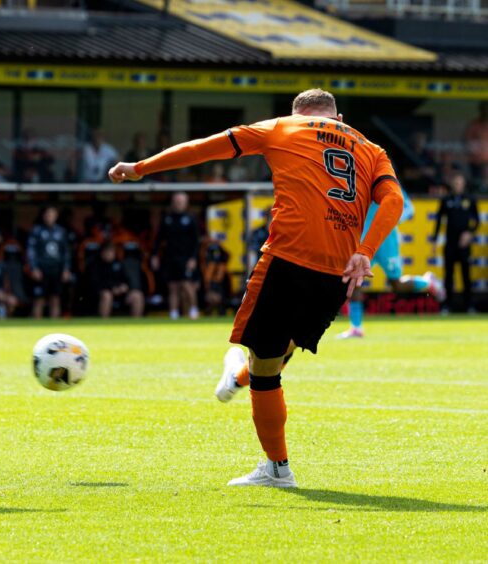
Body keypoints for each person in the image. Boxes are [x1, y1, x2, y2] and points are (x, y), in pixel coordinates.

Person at [109, 89, 404, 487]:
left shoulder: (282, 127)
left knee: (267, 365)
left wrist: (141, 167)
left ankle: (277, 468)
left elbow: (206, 147)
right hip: (337, 270)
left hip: (288, 258)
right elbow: (393, 201)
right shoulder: (371, 149)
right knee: (282, 350)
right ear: (339, 116)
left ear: (297, 112)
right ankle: (238, 378)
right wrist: (366, 251)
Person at [338, 187, 445, 338]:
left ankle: (427, 282)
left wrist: (389, 219)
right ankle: (356, 328)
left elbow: (408, 208)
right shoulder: (360, 180)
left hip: (386, 242)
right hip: (365, 241)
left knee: (397, 284)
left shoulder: (388, 181)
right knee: (354, 281)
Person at [432, 171, 480, 313]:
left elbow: (477, 220)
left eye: (460, 183)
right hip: (450, 243)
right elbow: (439, 220)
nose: (458, 185)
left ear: (464, 184)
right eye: (456, 183)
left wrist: (469, 233)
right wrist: (434, 241)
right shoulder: (446, 200)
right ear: (452, 184)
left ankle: (469, 306)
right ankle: (447, 306)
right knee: (448, 276)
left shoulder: (470, 200)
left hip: (464, 244)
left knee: (466, 275)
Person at [151, 192, 201, 320]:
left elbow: (196, 241)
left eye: (181, 201)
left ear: (186, 203)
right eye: (177, 201)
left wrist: (193, 258)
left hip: (185, 258)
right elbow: (158, 239)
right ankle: (173, 313)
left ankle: (193, 309)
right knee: (173, 286)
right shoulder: (167, 219)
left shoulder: (190, 219)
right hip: (170, 257)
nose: (179, 203)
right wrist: (155, 255)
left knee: (186, 284)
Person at [27, 206, 71, 319]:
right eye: (48, 214)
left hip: (56, 269)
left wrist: (66, 269)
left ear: (56, 216)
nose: (50, 217)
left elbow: (66, 252)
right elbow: (31, 251)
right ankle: (36, 326)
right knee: (39, 299)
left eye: (52, 214)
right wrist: (34, 268)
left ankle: (54, 326)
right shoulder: (36, 231)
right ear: (43, 216)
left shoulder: (61, 231)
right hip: (42, 269)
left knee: (55, 298)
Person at [89, 243, 144, 318]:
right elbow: (95, 283)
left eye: (111, 252)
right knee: (107, 295)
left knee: (137, 295)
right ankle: (103, 323)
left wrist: (125, 287)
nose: (110, 254)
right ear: (102, 253)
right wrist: (111, 288)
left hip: (121, 294)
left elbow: (127, 279)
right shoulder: (96, 266)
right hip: (103, 294)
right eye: (107, 252)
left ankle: (136, 323)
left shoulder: (118, 264)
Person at [464, 101, 488, 190]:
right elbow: (467, 143)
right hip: (477, 163)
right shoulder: (475, 125)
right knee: (477, 184)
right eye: (485, 110)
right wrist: (478, 153)